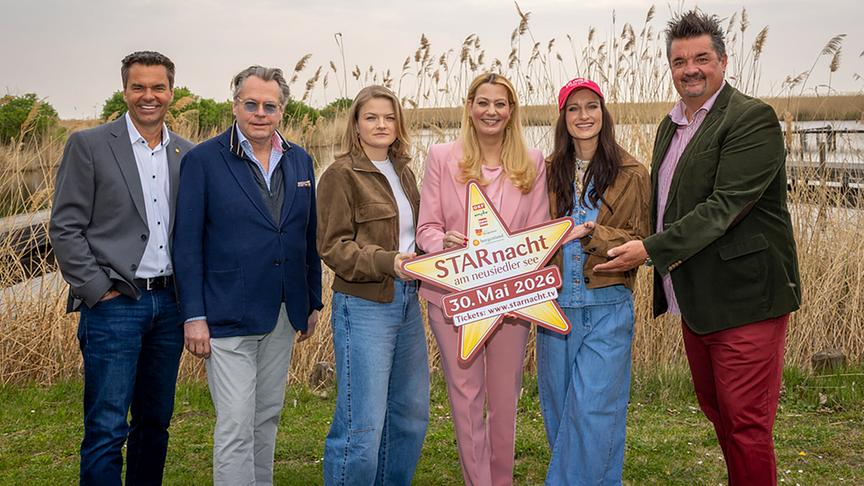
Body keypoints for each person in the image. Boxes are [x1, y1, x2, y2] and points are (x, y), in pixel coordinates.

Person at [596, 11, 801, 485]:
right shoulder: (671, 126)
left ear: (723, 61)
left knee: (747, 425)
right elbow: (666, 203)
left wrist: (647, 250)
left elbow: (724, 207)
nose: (690, 68)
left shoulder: (751, 119)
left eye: (701, 58)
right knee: (720, 414)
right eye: (679, 60)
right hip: (697, 299)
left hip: (747, 298)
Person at [172, 65, 323, 486]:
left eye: (270, 106)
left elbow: (307, 236)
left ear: (282, 110)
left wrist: (312, 300)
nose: (260, 113)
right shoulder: (203, 160)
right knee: (236, 422)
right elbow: (186, 245)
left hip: (282, 310)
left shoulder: (300, 160)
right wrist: (193, 315)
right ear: (235, 105)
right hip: (226, 313)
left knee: (267, 416)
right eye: (251, 104)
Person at [49, 51, 193, 485]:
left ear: (171, 91)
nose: (148, 96)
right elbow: (65, 226)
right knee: (107, 427)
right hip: (115, 304)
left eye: (158, 87)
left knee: (154, 422)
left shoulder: (188, 153)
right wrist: (97, 288)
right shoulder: (89, 145)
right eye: (138, 87)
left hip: (170, 305)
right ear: (125, 90)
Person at [416, 72, 548, 486]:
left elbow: (539, 231)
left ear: (512, 111)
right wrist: (444, 240)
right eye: (483, 102)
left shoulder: (533, 162)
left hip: (511, 301)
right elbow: (425, 229)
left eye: (501, 103)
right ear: (470, 107)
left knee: (505, 399)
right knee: (466, 397)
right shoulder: (441, 157)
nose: (492, 111)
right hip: (453, 300)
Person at [537, 77, 650, 485]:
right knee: (560, 411)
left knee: (595, 411)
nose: (583, 116)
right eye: (573, 108)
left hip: (607, 305)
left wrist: (592, 233)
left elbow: (643, 239)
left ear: (603, 113)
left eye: (591, 106)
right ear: (563, 117)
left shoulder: (632, 171)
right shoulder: (547, 171)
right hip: (555, 306)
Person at [317, 85, 429, 485]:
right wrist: (389, 262)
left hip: (407, 302)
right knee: (361, 426)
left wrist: (437, 245)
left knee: (410, 415)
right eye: (371, 117)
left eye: (389, 117)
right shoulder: (340, 174)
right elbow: (333, 248)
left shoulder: (403, 171)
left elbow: (409, 236)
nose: (382, 124)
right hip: (364, 306)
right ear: (357, 125)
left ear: (399, 124)